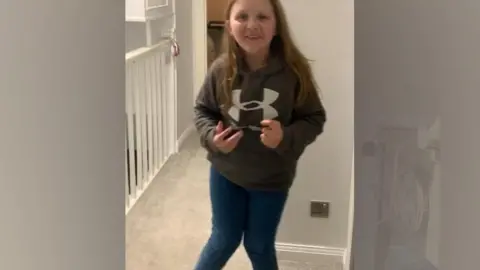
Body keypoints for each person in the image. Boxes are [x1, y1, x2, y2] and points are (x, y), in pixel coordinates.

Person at [193, 0, 326, 269]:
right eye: (242, 16)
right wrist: (212, 138)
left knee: (259, 245)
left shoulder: (294, 73)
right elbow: (203, 111)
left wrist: (285, 137)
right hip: (226, 172)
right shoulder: (219, 70)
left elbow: (314, 118)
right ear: (229, 26)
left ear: (277, 27)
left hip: (271, 177)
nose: (252, 25)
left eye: (262, 17)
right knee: (223, 239)